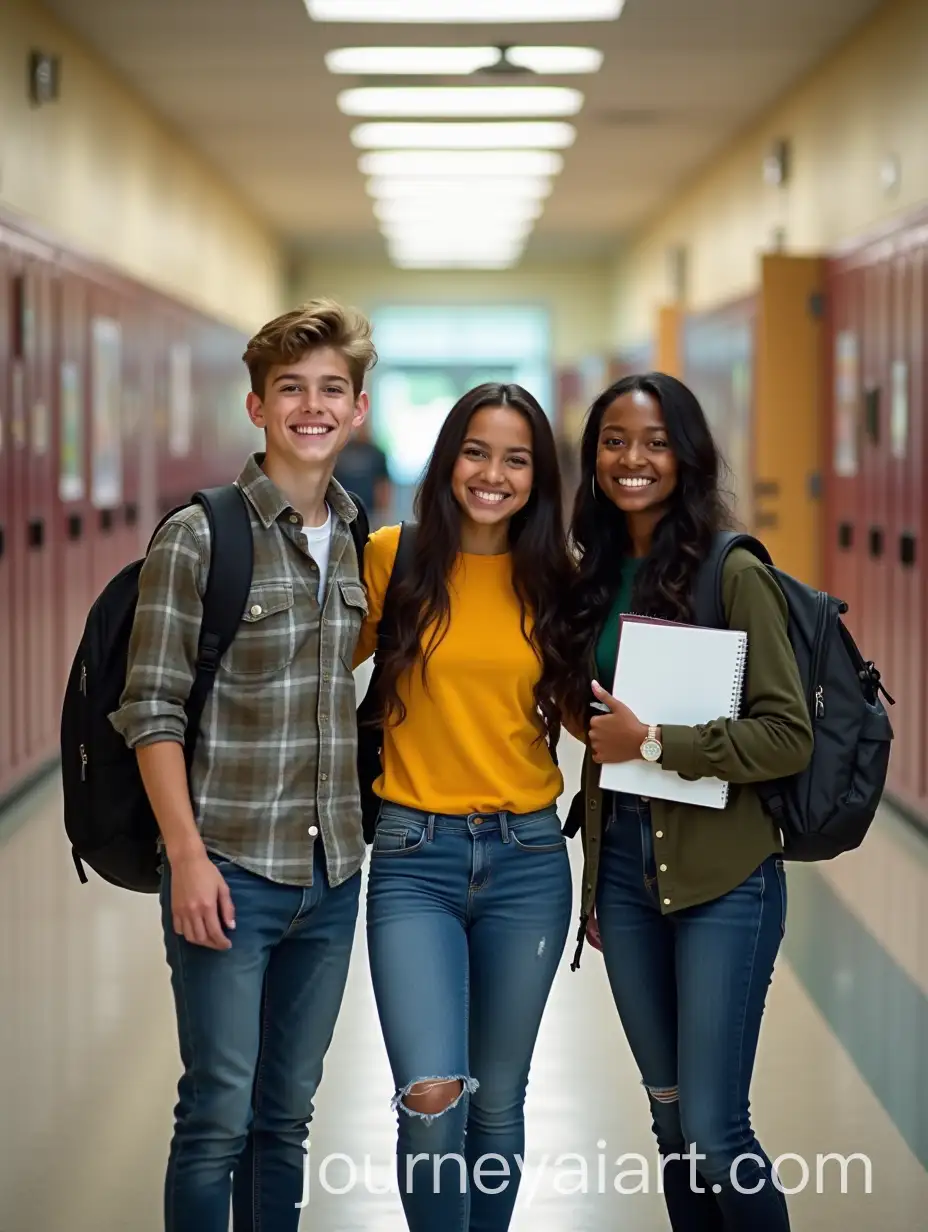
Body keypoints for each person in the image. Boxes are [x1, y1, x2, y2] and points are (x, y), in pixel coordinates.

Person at [110, 300, 377, 1232]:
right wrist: (184, 858)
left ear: (359, 410)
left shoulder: (352, 535)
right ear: (258, 407)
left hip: (332, 878)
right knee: (216, 1117)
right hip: (227, 871)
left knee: (285, 1119)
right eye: (291, 389)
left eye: (331, 390)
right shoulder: (200, 536)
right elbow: (150, 709)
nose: (313, 406)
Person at [561, 372, 812, 1231]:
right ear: (592, 455)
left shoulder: (731, 569)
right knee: (670, 1126)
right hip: (626, 880)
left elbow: (787, 735)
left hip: (723, 880)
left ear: (689, 454)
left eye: (656, 441)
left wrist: (660, 743)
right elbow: (598, 728)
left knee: (714, 1128)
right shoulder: (593, 571)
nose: (633, 459)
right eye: (615, 441)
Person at [355, 383, 574, 1231]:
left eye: (515, 458)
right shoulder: (393, 558)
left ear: (537, 476)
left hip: (528, 860)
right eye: (475, 452)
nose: (492, 474)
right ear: (447, 460)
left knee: (496, 1106)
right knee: (432, 1101)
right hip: (415, 859)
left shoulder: (560, 578)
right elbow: (310, 671)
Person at [334, 417, 393, 526]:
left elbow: (383, 485)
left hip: (370, 512)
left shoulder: (376, 453)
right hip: (343, 511)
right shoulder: (340, 453)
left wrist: (384, 514)